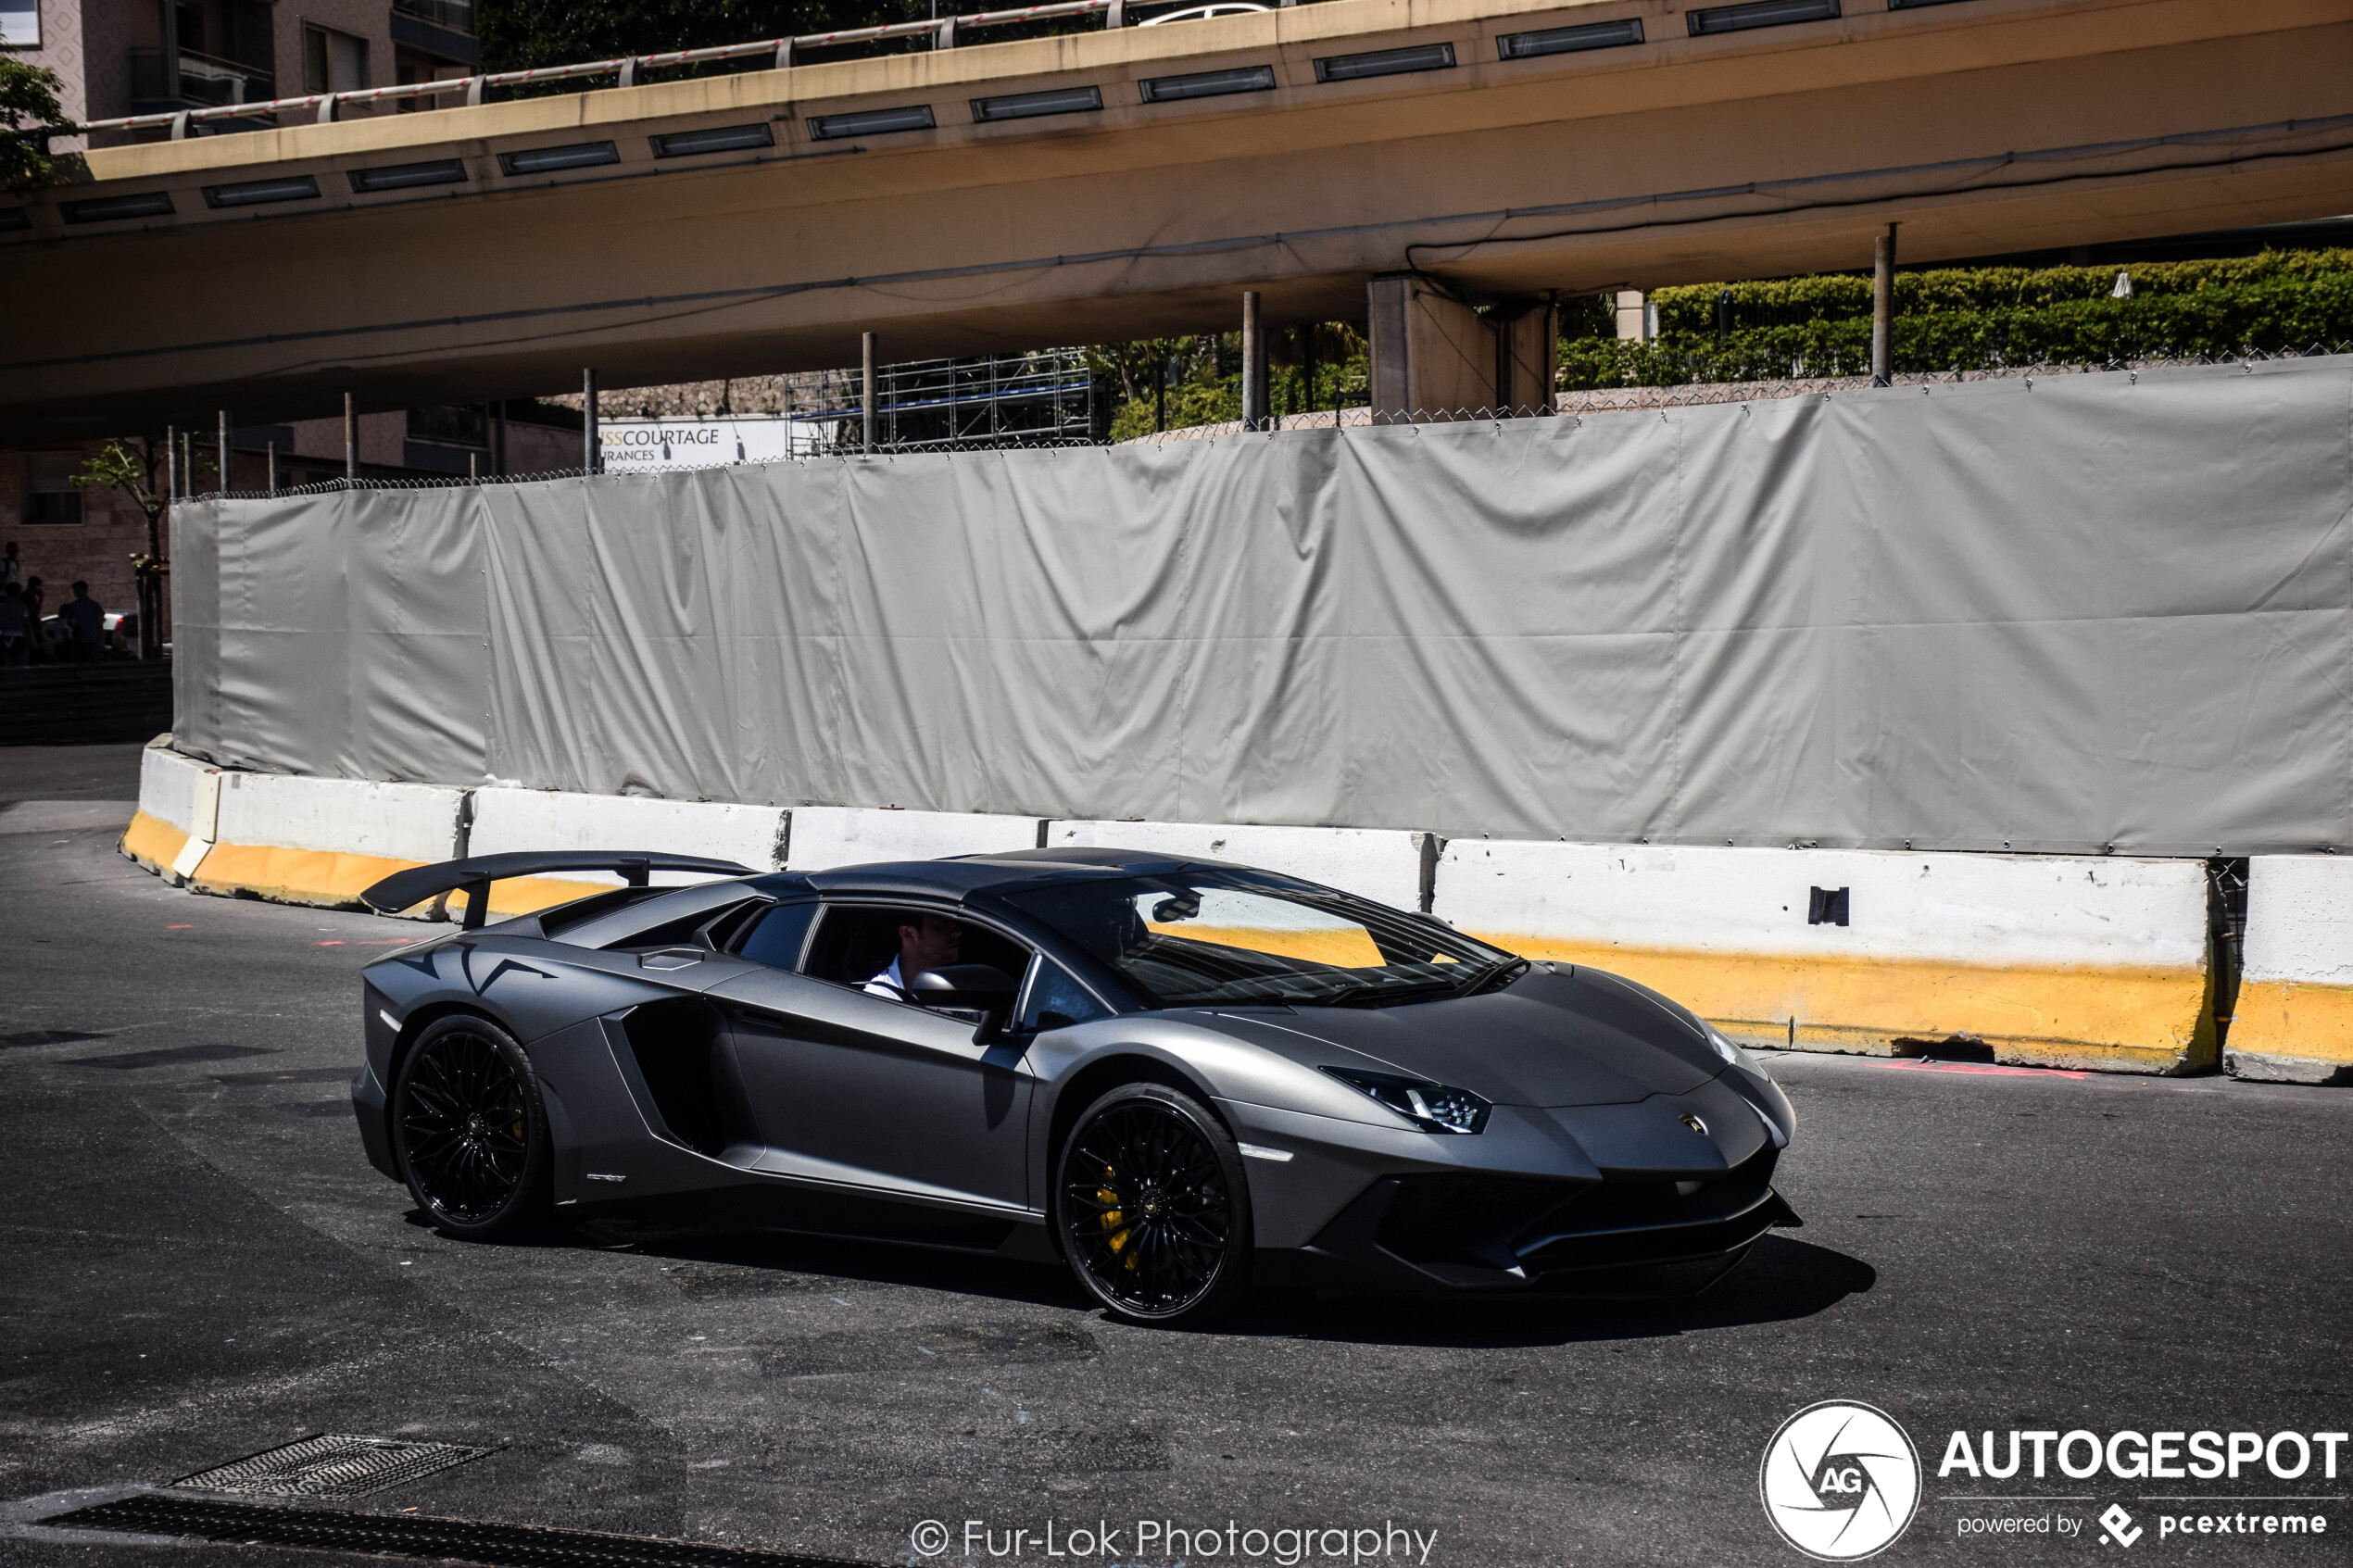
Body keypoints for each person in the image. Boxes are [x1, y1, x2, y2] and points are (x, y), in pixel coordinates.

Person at [864, 912, 962, 1001]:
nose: (957, 932)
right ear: (908, 935)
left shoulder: (963, 988)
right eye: (942, 924)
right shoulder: (880, 998)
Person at [57, 580, 103, 663]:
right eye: (74, 591)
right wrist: (73, 626)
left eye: (77, 590)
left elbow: (99, 623)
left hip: (91, 639)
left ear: (84, 590)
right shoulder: (73, 606)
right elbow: (68, 621)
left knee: (90, 661)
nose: (75, 593)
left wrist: (100, 638)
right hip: (78, 639)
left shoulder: (94, 605)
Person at [0, 582, 25, 666]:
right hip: (19, 636)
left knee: (7, 662)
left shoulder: (2, 605)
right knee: (20, 663)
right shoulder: (21, 606)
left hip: (5, 635)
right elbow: (25, 622)